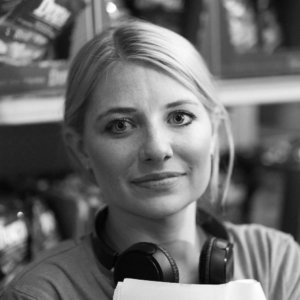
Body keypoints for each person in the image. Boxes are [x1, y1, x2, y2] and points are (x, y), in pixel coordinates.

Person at [2, 19, 300, 300]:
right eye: (120, 125)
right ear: (81, 149)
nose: (157, 149)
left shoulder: (276, 260)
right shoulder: (41, 293)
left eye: (179, 117)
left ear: (215, 130)